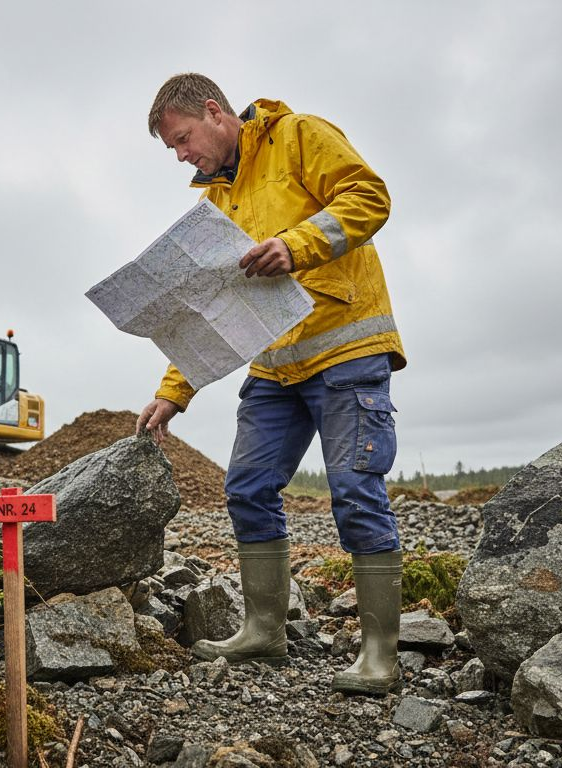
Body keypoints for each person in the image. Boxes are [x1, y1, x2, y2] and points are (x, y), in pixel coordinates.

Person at [135, 73, 408, 696]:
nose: (181, 156)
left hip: (346, 348)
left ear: (213, 112)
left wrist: (296, 245)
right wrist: (175, 388)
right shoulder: (214, 204)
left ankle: (380, 657)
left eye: (182, 140)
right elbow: (210, 306)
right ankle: (265, 630)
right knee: (247, 488)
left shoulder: (299, 136)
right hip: (272, 367)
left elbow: (370, 197)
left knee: (353, 489)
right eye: (172, 149)